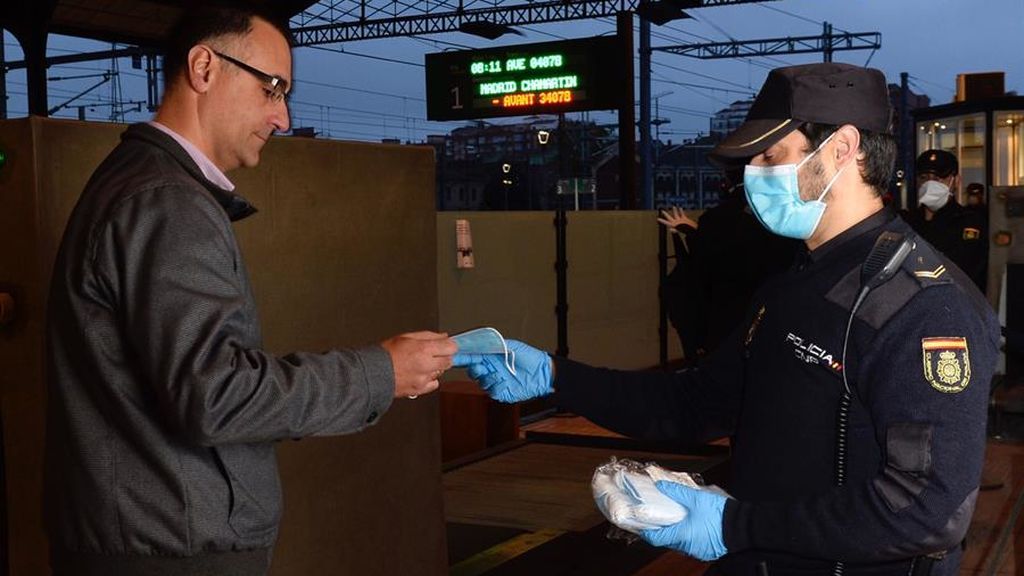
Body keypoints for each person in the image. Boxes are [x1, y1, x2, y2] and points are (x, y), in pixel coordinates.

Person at [456, 63, 999, 575]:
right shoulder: (794, 282)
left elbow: (927, 509)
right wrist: (557, 376)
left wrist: (732, 523)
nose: (753, 175)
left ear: (843, 148)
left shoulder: (923, 306)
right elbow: (697, 404)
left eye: (770, 156)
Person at [43, 7, 456, 576]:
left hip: (149, 535)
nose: (282, 117)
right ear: (205, 67)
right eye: (272, 89)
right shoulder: (167, 201)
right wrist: (379, 372)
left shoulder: (137, 182)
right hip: (173, 550)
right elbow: (215, 395)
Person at [658, 173, 798, 361]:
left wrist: (695, 233)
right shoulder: (781, 219)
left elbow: (709, 263)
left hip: (722, 321)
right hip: (770, 318)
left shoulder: (714, 220)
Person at [905, 150, 988, 291]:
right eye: (924, 177)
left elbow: (970, 269)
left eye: (938, 178)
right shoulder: (907, 221)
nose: (929, 184)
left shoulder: (969, 222)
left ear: (956, 181)